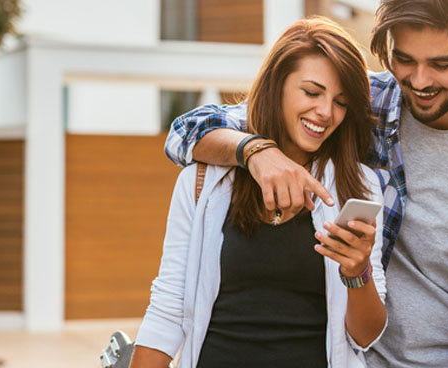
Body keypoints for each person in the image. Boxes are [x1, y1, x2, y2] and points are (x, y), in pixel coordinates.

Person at [163, 1, 448, 367]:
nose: (418, 80)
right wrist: (256, 151)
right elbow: (187, 131)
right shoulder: (358, 103)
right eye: (404, 59)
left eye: (441, 64)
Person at [130, 17, 387, 368]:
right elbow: (167, 309)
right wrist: (257, 152)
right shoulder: (204, 179)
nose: (325, 112)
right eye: (311, 92)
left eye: (341, 102)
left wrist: (358, 272)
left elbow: (365, 336)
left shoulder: (358, 186)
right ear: (276, 86)